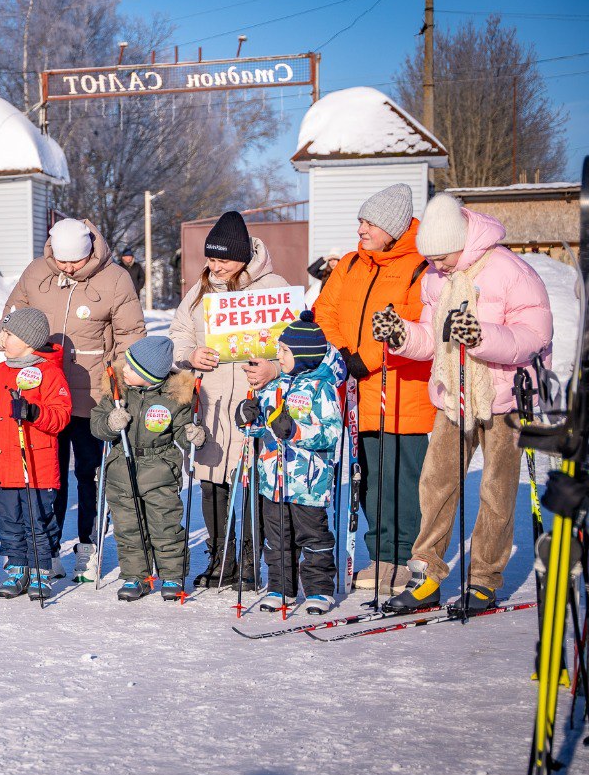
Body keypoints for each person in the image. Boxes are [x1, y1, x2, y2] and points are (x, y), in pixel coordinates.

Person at [377, 195, 553, 615]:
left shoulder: (510, 271)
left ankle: (483, 580)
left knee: (495, 489)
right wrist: (401, 335)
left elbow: (535, 335)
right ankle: (426, 576)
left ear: (463, 242)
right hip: (452, 394)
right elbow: (432, 336)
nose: (437, 266)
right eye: (431, 258)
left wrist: (481, 336)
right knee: (435, 482)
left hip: (505, 397)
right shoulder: (437, 280)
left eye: (442, 257)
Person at [0, 218, 145, 582]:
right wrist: (6, 345)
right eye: (62, 261)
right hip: (44, 394)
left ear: (88, 252)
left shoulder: (115, 279)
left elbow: (130, 333)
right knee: (48, 475)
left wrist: (123, 382)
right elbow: (12, 317)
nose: (67, 268)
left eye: (75, 262)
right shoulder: (36, 272)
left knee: (89, 474)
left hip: (92, 395)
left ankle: (88, 547)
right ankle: (47, 549)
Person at [313, 184, 434, 592]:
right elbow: (324, 312)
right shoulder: (349, 264)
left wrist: (367, 358)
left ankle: (407, 560)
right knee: (371, 481)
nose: (361, 228)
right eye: (361, 221)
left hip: (404, 392)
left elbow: (418, 325)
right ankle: (382, 558)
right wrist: (342, 351)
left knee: (406, 482)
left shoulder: (421, 266)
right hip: (357, 395)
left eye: (369, 222)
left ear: (393, 228)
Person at [169, 210, 287, 590]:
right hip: (214, 401)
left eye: (222, 260)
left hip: (256, 402)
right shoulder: (201, 289)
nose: (214, 266)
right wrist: (190, 355)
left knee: (251, 481)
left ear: (243, 257)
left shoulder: (272, 287)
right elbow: (179, 334)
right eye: (211, 258)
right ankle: (221, 559)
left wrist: (274, 368)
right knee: (211, 480)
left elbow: (291, 345)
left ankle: (251, 565)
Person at [235, 311, 343, 615]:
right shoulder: (274, 386)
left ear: (304, 355)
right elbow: (260, 429)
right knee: (277, 537)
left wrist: (296, 431)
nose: (278, 357)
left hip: (308, 481)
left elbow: (331, 433)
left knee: (313, 536)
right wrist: (247, 419)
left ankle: (319, 590)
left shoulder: (322, 389)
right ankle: (280, 587)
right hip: (273, 479)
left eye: (284, 351)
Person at [0, 308, 72, 601]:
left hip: (37, 466)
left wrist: (34, 412)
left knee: (38, 520)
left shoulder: (50, 373)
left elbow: (60, 416)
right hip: (3, 464)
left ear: (28, 340)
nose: (2, 338)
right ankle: (17, 569)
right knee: (8, 520)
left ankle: (40, 571)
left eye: (9, 334)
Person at [89, 336, 200, 601]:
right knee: (128, 527)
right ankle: (136, 576)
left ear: (149, 375)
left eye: (131, 367)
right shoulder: (118, 390)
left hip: (159, 469)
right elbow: (97, 425)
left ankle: (172, 576)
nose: (123, 369)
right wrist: (110, 423)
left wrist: (194, 435)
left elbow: (183, 433)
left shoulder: (174, 397)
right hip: (121, 470)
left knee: (165, 526)